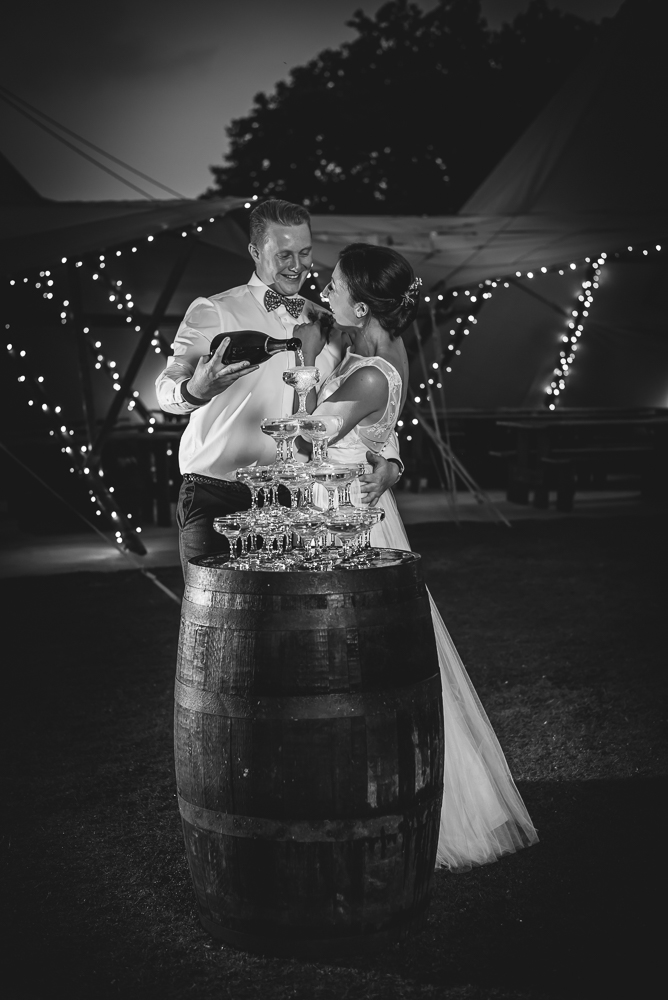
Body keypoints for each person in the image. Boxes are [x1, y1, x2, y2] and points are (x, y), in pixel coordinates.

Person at [295, 242, 539, 871]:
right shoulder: (367, 351)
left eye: (336, 282)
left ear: (361, 299)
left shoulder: (371, 368)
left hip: (348, 520)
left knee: (363, 658)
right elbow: (380, 432)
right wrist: (390, 457)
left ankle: (395, 795)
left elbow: (308, 439)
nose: (326, 288)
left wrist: (302, 365)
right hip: (343, 509)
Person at [155, 199, 403, 576]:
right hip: (219, 494)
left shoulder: (329, 320)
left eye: (304, 253)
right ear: (255, 251)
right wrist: (195, 390)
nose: (297, 265)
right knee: (212, 617)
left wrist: (393, 464)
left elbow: (363, 399)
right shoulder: (215, 310)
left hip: (298, 501)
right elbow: (166, 389)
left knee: (286, 627)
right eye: (284, 254)